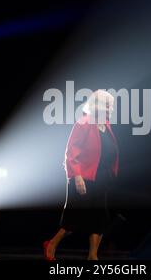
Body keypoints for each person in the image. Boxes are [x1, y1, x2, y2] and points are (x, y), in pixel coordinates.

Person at [44, 90, 119, 260]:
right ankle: (52, 244)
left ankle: (93, 255)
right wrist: (77, 177)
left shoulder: (106, 125)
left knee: (99, 218)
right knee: (74, 218)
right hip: (84, 178)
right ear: (97, 106)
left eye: (111, 106)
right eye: (108, 105)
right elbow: (71, 153)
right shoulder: (84, 123)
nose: (111, 109)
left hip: (101, 178)